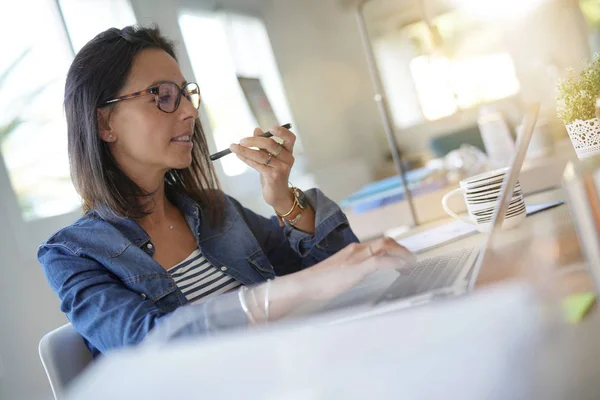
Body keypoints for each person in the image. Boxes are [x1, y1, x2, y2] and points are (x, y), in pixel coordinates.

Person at [37, 25, 414, 358]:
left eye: (186, 94)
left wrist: (281, 196)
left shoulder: (216, 209)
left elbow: (338, 279)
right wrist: (287, 292)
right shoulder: (72, 254)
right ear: (104, 123)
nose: (188, 111)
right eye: (163, 95)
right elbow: (148, 347)